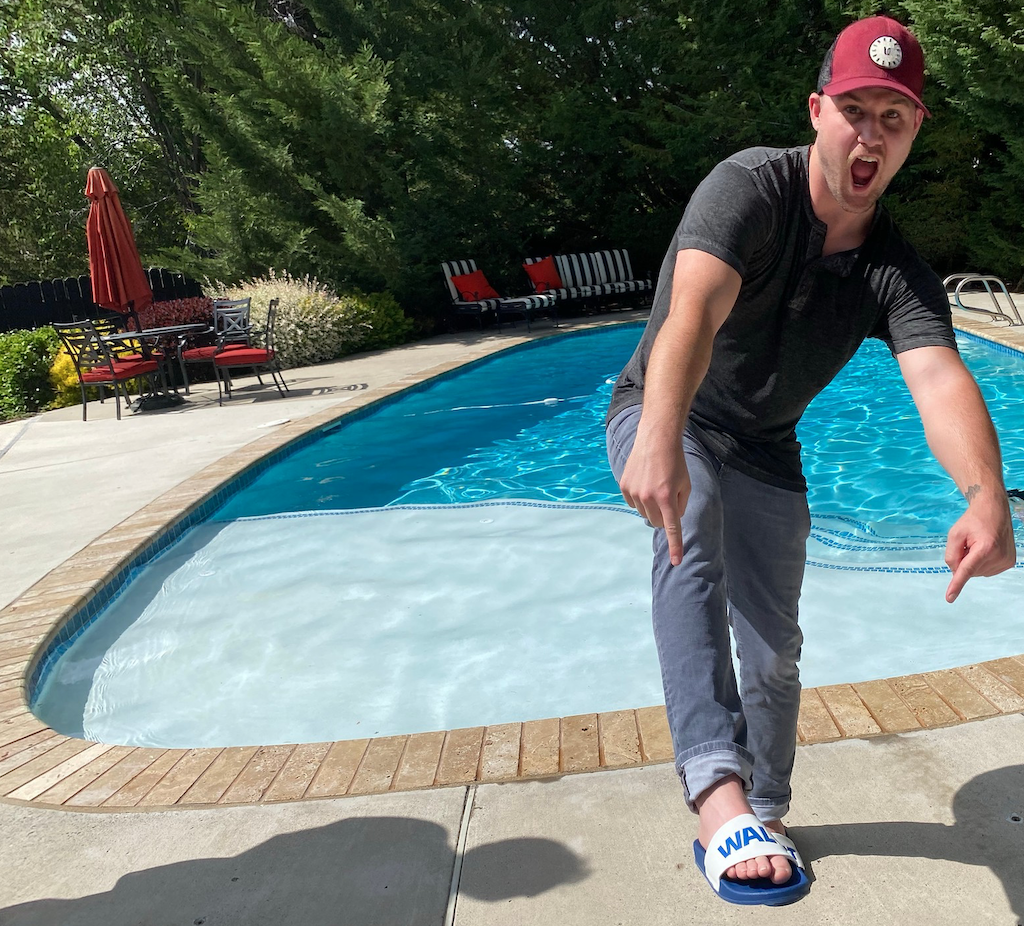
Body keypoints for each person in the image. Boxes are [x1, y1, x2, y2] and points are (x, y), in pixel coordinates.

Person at [605, 14, 1018, 906]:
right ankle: (718, 801)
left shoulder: (892, 267)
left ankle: (766, 804)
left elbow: (939, 378)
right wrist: (658, 441)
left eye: (894, 118)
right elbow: (692, 313)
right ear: (818, 110)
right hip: (668, 411)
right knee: (692, 544)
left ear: (914, 135)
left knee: (776, 649)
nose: (870, 135)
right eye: (856, 110)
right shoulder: (750, 187)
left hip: (767, 447)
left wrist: (988, 496)